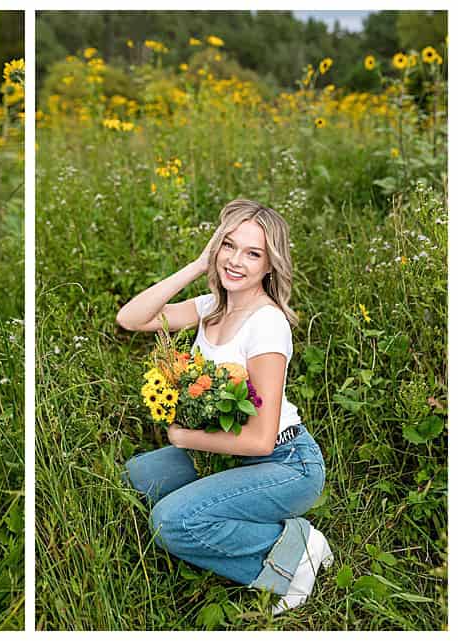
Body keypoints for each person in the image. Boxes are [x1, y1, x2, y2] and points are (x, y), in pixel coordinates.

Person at [114, 199, 330, 614]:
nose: (236, 261)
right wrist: (199, 264)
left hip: (284, 462)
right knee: (134, 480)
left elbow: (262, 438)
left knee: (170, 522)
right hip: (226, 452)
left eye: (253, 253)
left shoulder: (267, 324)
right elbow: (132, 318)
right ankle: (267, 530)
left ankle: (292, 554)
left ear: (270, 265)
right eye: (228, 246)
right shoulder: (213, 305)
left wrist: (183, 436)